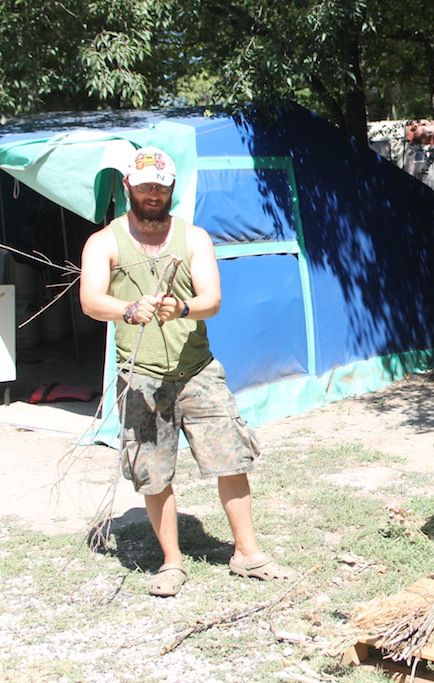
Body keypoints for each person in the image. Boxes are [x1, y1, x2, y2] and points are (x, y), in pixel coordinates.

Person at [80, 146, 295, 597]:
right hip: (140, 378)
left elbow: (211, 300)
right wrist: (128, 309)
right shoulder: (104, 242)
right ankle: (172, 562)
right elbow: (91, 300)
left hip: (198, 371)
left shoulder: (193, 238)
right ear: (128, 187)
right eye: (145, 186)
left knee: (231, 459)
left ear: (172, 188)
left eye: (161, 186)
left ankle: (247, 553)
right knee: (153, 473)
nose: (153, 194)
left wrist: (182, 308)